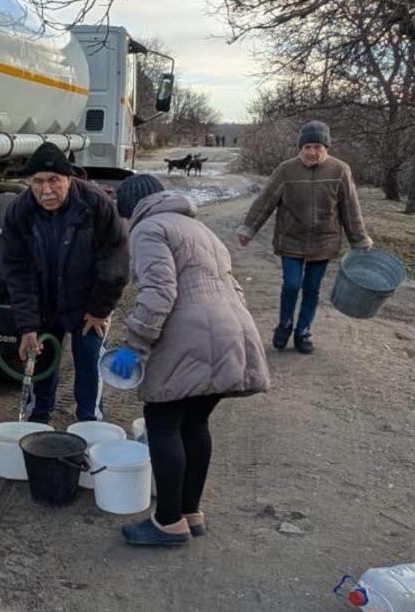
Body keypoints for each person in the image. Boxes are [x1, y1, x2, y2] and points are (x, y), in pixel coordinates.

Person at [109, 186, 270, 546]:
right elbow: (234, 289)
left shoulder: (149, 229)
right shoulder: (200, 230)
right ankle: (190, 513)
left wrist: (134, 345)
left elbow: (159, 292)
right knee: (194, 422)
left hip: (192, 334)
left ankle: (167, 522)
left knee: (163, 421)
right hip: (232, 329)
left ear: (131, 209)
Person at [2, 142, 130, 423]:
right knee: (42, 362)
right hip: (46, 302)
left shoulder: (95, 204)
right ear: (28, 182)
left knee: (88, 360)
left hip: (89, 303)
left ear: (69, 179)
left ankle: (89, 423)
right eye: (37, 182)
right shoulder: (19, 212)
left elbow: (116, 261)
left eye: (53, 181)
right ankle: (38, 420)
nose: (46, 190)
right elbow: (17, 272)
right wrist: (28, 325)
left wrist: (100, 309)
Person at [237, 120, 373, 354]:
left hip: (324, 240)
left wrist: (359, 240)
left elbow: (350, 208)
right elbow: (265, 201)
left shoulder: (340, 170)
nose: (312, 152)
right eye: (308, 147)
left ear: (326, 148)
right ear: (300, 148)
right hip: (291, 238)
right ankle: (285, 325)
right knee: (291, 285)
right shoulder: (286, 170)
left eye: (318, 147)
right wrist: (249, 229)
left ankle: (303, 332)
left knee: (311, 289)